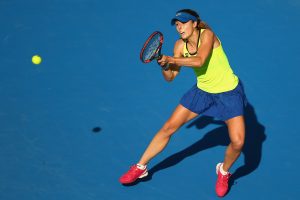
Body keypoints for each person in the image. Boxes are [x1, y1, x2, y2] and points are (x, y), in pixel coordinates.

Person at [119, 9, 247, 197]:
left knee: (238, 142)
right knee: (169, 127)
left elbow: (200, 60)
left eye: (184, 23)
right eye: (177, 25)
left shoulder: (208, 35)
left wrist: (171, 59)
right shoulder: (179, 46)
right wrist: (164, 65)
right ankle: (140, 166)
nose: (180, 27)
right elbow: (170, 77)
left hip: (229, 94)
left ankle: (223, 171)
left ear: (194, 23)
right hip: (202, 92)